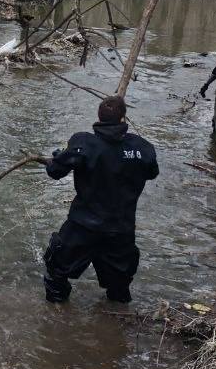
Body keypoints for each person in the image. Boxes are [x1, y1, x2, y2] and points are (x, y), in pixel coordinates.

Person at [42, 94, 159, 304]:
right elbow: (152, 172)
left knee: (56, 271)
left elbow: (55, 171)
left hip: (83, 227)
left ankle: (56, 314)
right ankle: (115, 320)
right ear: (124, 118)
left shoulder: (83, 143)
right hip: (121, 229)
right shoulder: (142, 148)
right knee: (120, 286)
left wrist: (58, 157)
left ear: (99, 118)